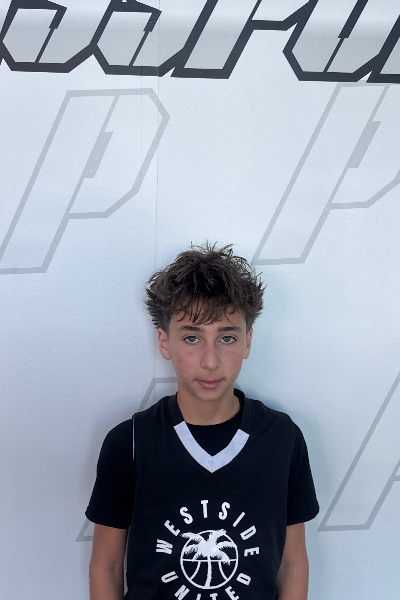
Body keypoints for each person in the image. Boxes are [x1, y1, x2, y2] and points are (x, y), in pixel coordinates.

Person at [86, 242, 319, 600]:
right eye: (192, 337)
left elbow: (292, 564)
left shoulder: (283, 439)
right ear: (165, 342)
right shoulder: (128, 443)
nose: (210, 361)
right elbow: (107, 566)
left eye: (227, 337)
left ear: (248, 341)